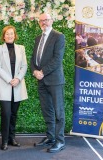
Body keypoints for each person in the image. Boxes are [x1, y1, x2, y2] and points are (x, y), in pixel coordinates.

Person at [30, 13, 66, 153]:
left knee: (58, 112)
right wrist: (34, 71)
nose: (43, 22)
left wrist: (42, 72)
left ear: (51, 21)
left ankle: (60, 141)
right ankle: (50, 138)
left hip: (54, 80)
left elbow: (57, 59)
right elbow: (34, 59)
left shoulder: (58, 36)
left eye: (46, 20)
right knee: (47, 111)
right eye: (41, 21)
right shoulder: (38, 38)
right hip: (41, 80)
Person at [0, 25, 28, 150]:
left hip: (17, 85)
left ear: (15, 35)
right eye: (7, 34)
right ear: (4, 36)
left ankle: (12, 138)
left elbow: (24, 66)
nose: (9, 36)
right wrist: (9, 80)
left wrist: (17, 79)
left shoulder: (21, 48)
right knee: (6, 113)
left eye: (11, 33)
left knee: (13, 114)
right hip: (4, 85)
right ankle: (4, 141)